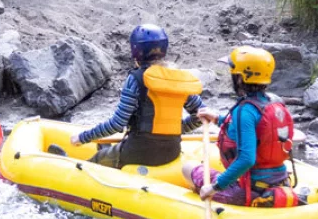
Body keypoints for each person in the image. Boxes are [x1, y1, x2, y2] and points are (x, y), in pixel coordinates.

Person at [57, 25, 206, 168]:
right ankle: (107, 149)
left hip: (140, 151)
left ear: (136, 51)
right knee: (109, 149)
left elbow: (117, 123)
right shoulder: (178, 79)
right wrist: (176, 130)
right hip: (171, 151)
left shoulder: (136, 79)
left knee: (98, 161)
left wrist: (83, 137)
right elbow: (202, 115)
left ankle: (73, 166)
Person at [184, 46, 300, 207]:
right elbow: (256, 131)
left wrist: (214, 187)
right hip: (280, 183)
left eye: (233, 71)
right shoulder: (275, 101)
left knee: (187, 168)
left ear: (240, 78)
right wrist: (217, 118)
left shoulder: (244, 110)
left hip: (248, 191)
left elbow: (247, 159)